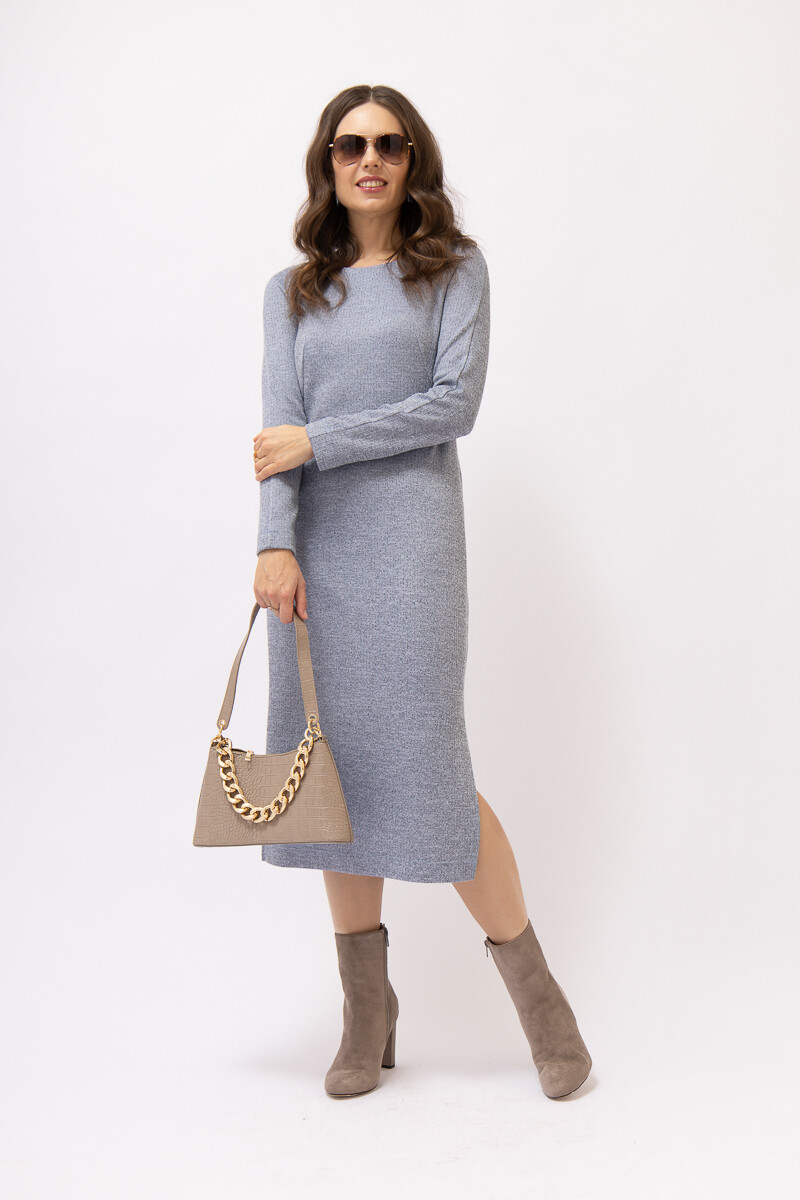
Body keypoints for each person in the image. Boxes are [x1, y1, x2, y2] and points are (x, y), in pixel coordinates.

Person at [251, 84, 592, 1101]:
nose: (370, 159)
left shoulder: (453, 269)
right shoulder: (290, 292)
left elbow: (452, 406)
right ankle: (367, 1013)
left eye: (390, 144)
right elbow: (275, 434)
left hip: (411, 546)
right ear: (327, 161)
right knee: (333, 773)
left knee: (432, 770)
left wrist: (320, 441)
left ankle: (541, 1003)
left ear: (412, 162)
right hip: (315, 557)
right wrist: (274, 544)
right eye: (351, 143)